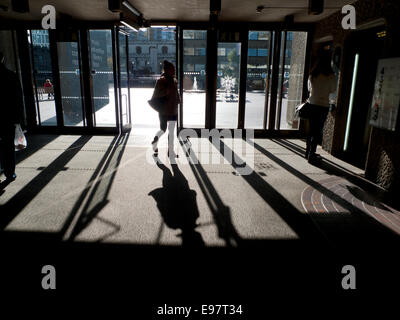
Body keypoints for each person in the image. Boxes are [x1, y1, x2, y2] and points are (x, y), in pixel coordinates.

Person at [305, 52, 336, 163]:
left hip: (312, 104)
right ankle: (311, 155)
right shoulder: (331, 75)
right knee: (317, 131)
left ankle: (308, 152)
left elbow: (309, 89)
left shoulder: (313, 74)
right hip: (323, 106)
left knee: (311, 129)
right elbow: (333, 90)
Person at [0, 52, 24, 184]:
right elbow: (18, 99)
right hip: (7, 117)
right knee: (8, 146)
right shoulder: (11, 76)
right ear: (2, 59)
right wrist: (18, 117)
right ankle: (10, 173)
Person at [151, 60, 180, 159]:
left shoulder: (174, 80)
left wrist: (178, 99)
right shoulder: (161, 81)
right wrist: (167, 90)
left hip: (173, 109)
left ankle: (170, 151)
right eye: (173, 69)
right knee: (163, 129)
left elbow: (176, 93)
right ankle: (156, 140)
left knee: (171, 131)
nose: (175, 70)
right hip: (164, 109)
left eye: (174, 69)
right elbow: (156, 95)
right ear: (167, 70)